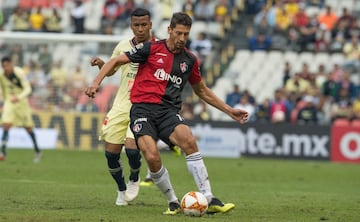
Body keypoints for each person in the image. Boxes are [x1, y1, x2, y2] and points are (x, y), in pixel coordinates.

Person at [85, 12, 248, 215]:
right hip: (142, 110)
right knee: (151, 156)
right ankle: (172, 201)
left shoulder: (189, 60)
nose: (181, 38)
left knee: (188, 140)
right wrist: (95, 82)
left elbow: (202, 90)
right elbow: (116, 61)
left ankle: (208, 197)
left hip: (167, 112)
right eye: (178, 33)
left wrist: (230, 111)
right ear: (169, 30)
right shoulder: (150, 48)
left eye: (186, 34)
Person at [0, 56, 41, 162]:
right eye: (3, 66)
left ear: (11, 64)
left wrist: (18, 97)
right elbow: (3, 89)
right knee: (6, 124)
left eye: (7, 65)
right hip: (9, 102)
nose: (5, 68)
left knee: (28, 128)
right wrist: (4, 103)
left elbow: (28, 89)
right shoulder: (1, 75)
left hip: (21, 103)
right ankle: (3, 153)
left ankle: (37, 151)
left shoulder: (19, 73)